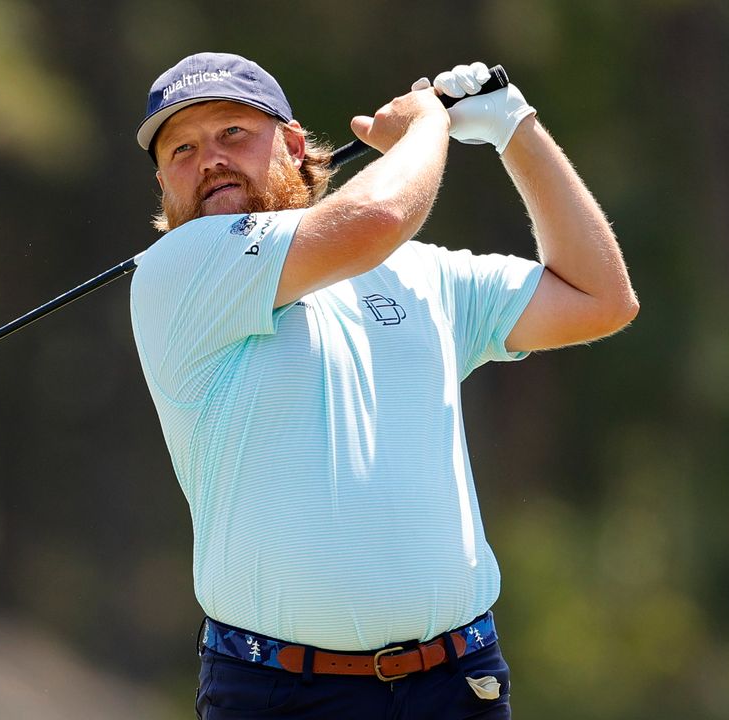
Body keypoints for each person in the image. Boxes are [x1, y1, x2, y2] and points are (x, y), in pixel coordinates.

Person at [128, 52, 637, 719]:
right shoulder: (178, 271)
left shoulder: (422, 276)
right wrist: (428, 122)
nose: (210, 160)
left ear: (292, 146)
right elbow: (374, 220)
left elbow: (601, 297)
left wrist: (515, 129)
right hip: (279, 694)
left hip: (457, 684)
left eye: (232, 135)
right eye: (183, 150)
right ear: (164, 180)